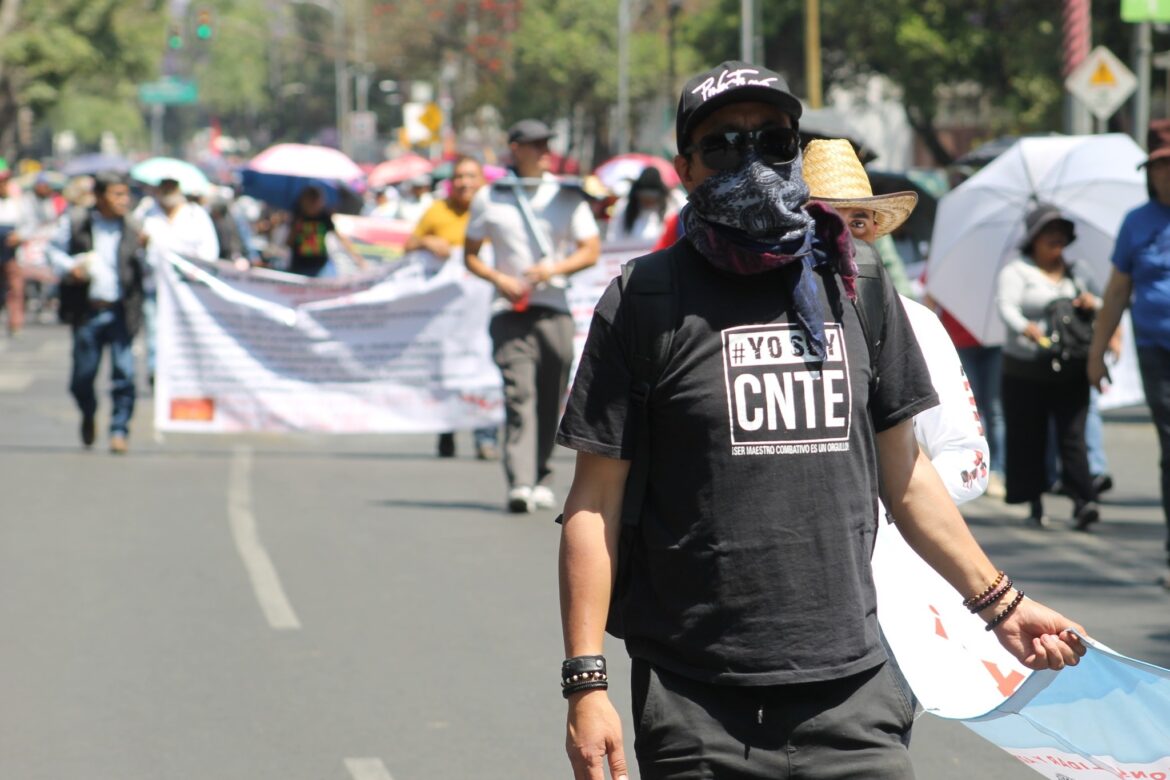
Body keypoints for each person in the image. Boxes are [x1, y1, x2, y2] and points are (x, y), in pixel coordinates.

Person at [557, 61, 1085, 779]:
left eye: (773, 141)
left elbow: (905, 477)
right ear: (685, 167)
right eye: (723, 144)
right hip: (696, 706)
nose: (751, 159)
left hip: (854, 696)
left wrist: (1001, 604)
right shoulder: (645, 300)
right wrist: (586, 687)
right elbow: (595, 503)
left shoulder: (857, 284)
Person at [803, 138, 989, 501]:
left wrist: (893, 502)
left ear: (875, 231)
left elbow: (971, 459)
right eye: (823, 224)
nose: (843, 241)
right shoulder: (760, 322)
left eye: (858, 223)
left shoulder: (918, 324)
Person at [464, 118, 601, 512]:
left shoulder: (565, 195)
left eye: (546, 143)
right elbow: (470, 254)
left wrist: (552, 270)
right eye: (535, 144)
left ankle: (540, 473)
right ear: (515, 149)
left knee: (551, 394)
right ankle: (520, 482)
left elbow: (589, 249)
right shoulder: (490, 197)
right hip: (509, 311)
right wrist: (497, 277)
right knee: (518, 393)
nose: (544, 151)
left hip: (554, 309)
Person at [1089, 119, 1170, 582]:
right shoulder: (1136, 223)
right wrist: (1096, 353)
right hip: (1157, 350)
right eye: (1159, 166)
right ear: (1149, 172)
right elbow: (1117, 290)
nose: (1166, 174)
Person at [997, 203, 1100, 529]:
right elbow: (1007, 308)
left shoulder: (1078, 272)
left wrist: (1090, 303)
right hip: (1026, 367)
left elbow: (1101, 302)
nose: (1056, 242)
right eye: (1048, 236)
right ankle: (1034, 499)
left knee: (1073, 435)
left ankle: (1083, 499)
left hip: (1071, 365)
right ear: (1034, 240)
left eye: (1061, 236)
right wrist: (1024, 327)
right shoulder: (1016, 272)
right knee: (1030, 435)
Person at [403, 155, 499, 461]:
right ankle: (447, 429)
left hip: (486, 308)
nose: (464, 183)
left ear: (482, 180)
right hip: (449, 315)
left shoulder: (494, 210)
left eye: (471, 176)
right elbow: (408, 244)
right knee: (448, 369)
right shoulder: (437, 211)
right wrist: (428, 243)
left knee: (484, 368)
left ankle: (486, 437)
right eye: (459, 177)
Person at [45, 172, 146, 454]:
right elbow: (53, 251)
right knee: (82, 377)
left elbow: (150, 269)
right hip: (87, 312)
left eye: (126, 195)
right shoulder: (78, 221)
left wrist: (147, 249)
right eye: (117, 194)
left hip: (123, 312)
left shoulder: (134, 227)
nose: (123, 201)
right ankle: (88, 412)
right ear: (100, 197)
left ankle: (119, 428)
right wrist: (69, 268)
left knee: (124, 374)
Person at [141, 178, 220, 383]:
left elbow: (209, 252)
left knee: (187, 333)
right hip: (155, 285)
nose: (167, 191)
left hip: (188, 288)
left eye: (171, 187)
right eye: (163, 187)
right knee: (155, 333)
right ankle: (157, 377)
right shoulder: (147, 214)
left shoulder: (195, 214)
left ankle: (188, 375)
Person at [286, 186, 367, 277]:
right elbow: (288, 243)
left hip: (319, 266)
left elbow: (341, 238)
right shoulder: (298, 216)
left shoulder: (324, 217)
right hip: (299, 265)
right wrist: (295, 228)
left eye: (315, 201)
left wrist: (358, 259)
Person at [604, 167, 679, 243]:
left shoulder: (672, 204)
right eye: (644, 197)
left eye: (651, 197)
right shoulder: (623, 206)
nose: (648, 201)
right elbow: (614, 236)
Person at [0, 160, 27, 336]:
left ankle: (15, 322)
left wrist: (20, 236)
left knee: (15, 287)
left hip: (10, 252)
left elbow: (27, 224)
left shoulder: (17, 202)